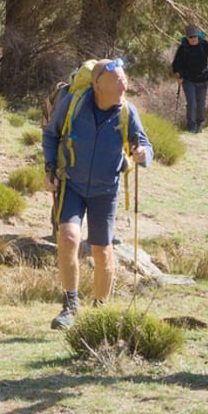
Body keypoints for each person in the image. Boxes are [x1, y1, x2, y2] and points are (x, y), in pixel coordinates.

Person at [43, 58, 153, 330]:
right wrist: (49, 169)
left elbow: (146, 145)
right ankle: (70, 306)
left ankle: (100, 310)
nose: (124, 83)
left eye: (125, 78)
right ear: (98, 85)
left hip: (106, 190)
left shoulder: (128, 112)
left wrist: (143, 154)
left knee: (102, 251)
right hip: (72, 185)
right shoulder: (74, 105)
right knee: (68, 237)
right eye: (117, 79)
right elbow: (50, 134)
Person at [172, 23, 208, 133]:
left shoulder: (204, 45)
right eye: (191, 37)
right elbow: (176, 65)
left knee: (201, 103)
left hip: (203, 78)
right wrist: (178, 76)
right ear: (187, 37)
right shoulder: (183, 47)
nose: (193, 39)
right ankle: (191, 127)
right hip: (188, 79)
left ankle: (200, 124)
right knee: (192, 103)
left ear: (198, 36)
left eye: (195, 36)